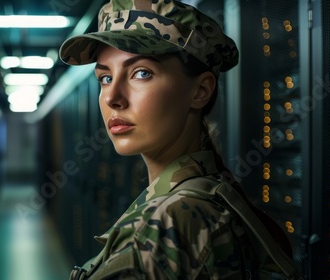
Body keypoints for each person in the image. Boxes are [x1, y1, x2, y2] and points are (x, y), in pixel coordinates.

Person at [59, 0, 298, 279]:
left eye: (141, 73)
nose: (112, 98)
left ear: (200, 91)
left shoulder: (163, 227)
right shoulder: (211, 196)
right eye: (105, 78)